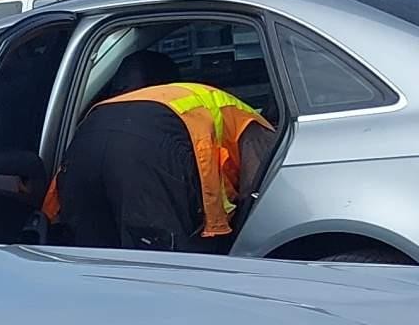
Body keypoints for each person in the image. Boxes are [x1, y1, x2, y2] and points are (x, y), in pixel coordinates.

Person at [44, 48, 275, 252]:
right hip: (151, 145)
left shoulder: (111, 104)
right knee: (158, 256)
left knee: (90, 253)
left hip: (88, 136)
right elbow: (258, 188)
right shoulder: (236, 112)